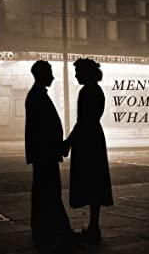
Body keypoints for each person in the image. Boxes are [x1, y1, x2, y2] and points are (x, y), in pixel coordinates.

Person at [62, 58, 113, 244]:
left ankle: (93, 228)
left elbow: (83, 120)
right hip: (94, 137)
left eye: (78, 72)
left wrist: (68, 142)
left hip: (87, 139)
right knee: (95, 182)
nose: (76, 76)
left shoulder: (87, 92)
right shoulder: (96, 90)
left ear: (86, 73)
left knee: (90, 180)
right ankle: (93, 225)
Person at [25, 60, 72, 251]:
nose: (52, 77)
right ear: (42, 75)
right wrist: (59, 146)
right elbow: (44, 129)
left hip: (44, 153)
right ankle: (59, 229)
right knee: (50, 191)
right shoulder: (38, 96)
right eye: (49, 73)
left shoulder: (38, 94)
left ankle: (47, 227)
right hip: (45, 153)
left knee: (45, 191)